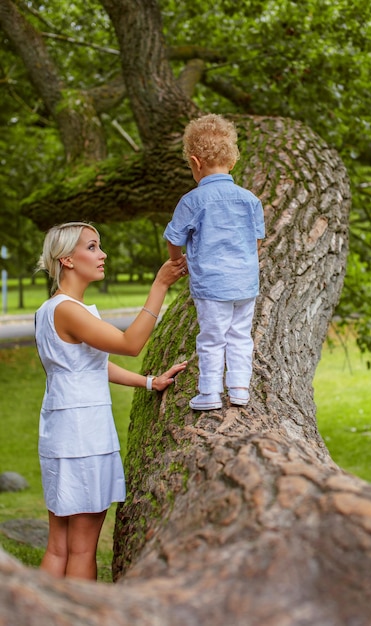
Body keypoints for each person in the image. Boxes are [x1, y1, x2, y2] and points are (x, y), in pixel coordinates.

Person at [34, 221, 187, 580]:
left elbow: (91, 367)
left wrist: (149, 382)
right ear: (67, 260)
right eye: (92, 247)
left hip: (62, 432)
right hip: (83, 436)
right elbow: (131, 344)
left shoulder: (49, 310)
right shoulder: (70, 310)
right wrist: (160, 284)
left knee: (59, 546)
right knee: (82, 549)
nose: (102, 255)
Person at [163, 113, 265, 411]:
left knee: (211, 337)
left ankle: (209, 392)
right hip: (245, 283)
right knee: (239, 336)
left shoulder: (193, 200)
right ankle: (239, 389)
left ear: (195, 163)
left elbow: (173, 238)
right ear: (232, 162)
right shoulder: (250, 200)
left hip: (212, 285)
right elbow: (256, 242)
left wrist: (176, 260)